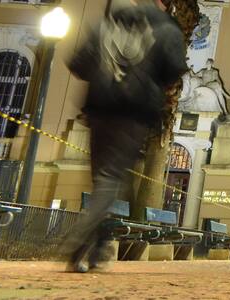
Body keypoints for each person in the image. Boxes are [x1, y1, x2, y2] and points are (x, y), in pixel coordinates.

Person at [61, 0, 188, 273]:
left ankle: (97, 246)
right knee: (110, 180)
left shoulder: (105, 24)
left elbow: (78, 63)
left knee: (101, 179)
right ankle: (79, 239)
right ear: (163, 4)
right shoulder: (165, 28)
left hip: (99, 109)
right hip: (133, 113)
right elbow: (174, 68)